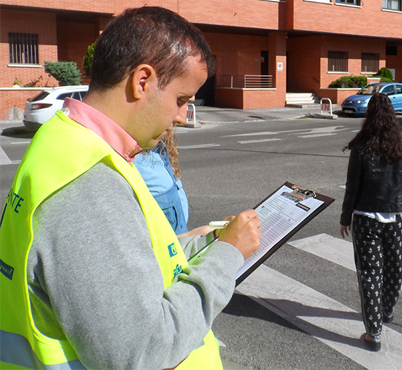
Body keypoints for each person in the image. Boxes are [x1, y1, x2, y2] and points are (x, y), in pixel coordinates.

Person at [0, 7, 261, 370]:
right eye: (182, 99)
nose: (183, 116)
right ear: (143, 81)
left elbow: (121, 259)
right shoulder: (89, 183)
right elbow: (141, 353)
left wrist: (198, 242)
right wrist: (228, 254)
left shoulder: (69, 142)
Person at [339, 93, 402, 352]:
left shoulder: (361, 148)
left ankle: (374, 332)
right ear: (393, 116)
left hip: (365, 218)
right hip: (399, 218)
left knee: (370, 274)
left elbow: (352, 187)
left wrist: (345, 218)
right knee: (395, 266)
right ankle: (387, 309)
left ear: (369, 116)